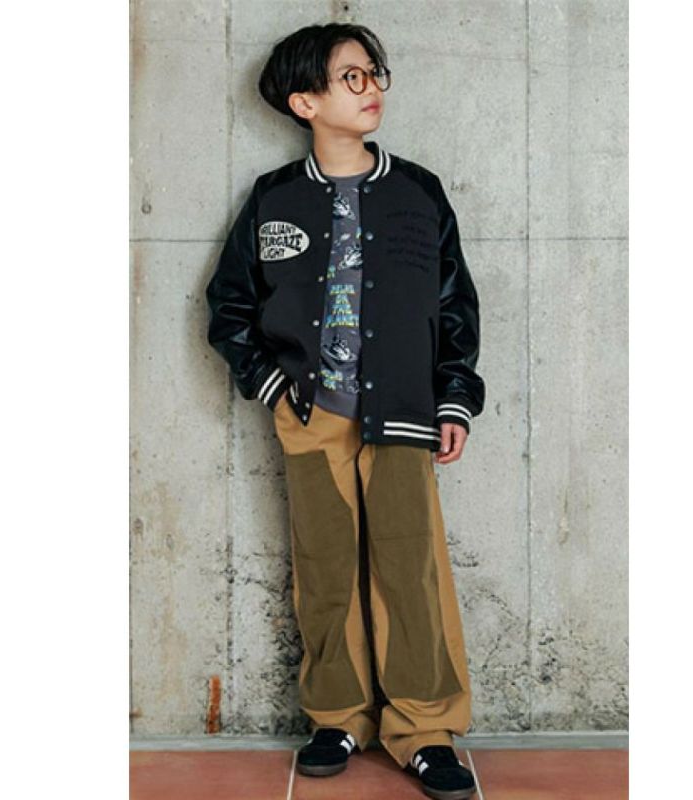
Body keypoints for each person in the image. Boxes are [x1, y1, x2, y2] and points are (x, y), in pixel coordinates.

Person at [205, 21, 484, 800]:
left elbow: (455, 305)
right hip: (311, 415)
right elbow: (229, 306)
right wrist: (272, 386)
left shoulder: (418, 192)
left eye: (375, 73)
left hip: (403, 412)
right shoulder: (275, 199)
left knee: (409, 570)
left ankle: (424, 728)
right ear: (305, 101)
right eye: (352, 77)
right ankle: (336, 716)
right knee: (325, 568)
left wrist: (454, 396)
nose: (372, 89)